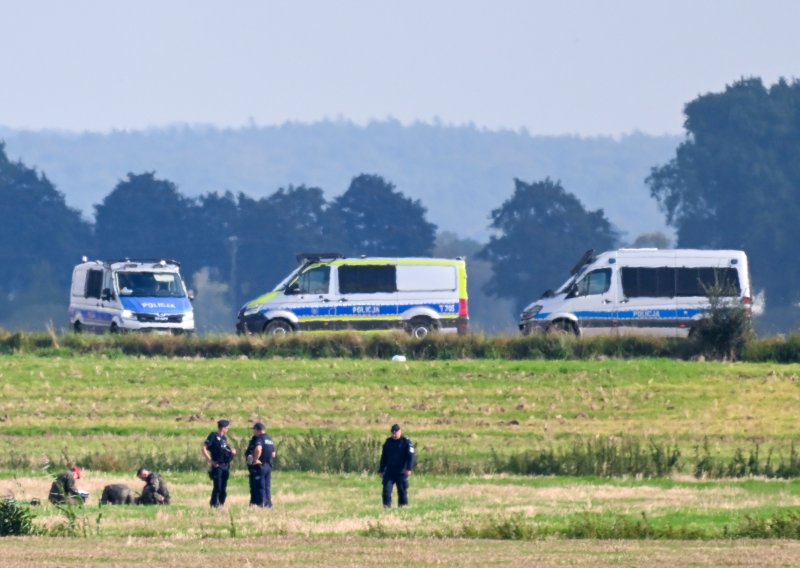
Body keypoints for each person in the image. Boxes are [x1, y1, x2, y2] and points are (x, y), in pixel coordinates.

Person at [379, 424, 416, 508]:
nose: (394, 434)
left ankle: (403, 506)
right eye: (393, 433)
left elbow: (411, 456)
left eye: (396, 433)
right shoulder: (388, 442)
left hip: (401, 471)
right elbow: (384, 457)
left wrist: (409, 468)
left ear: (400, 432)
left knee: (402, 490)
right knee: (386, 490)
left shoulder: (406, 442)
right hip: (389, 471)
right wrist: (381, 469)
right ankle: (386, 506)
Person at [202, 419, 237, 507]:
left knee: (223, 488)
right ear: (223, 428)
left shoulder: (224, 438)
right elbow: (204, 448)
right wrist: (210, 461)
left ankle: (221, 504)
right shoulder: (213, 435)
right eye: (227, 427)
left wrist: (231, 451)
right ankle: (214, 504)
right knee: (217, 486)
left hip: (225, 465)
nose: (228, 429)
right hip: (217, 465)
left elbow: (224, 449)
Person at [245, 422, 276, 508]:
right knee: (267, 486)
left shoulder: (259, 438)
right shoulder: (269, 439)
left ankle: (261, 503)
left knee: (260, 485)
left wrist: (255, 459)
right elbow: (273, 454)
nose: (253, 432)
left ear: (258, 430)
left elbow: (258, 449)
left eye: (254, 430)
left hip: (260, 466)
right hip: (268, 466)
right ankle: (268, 504)